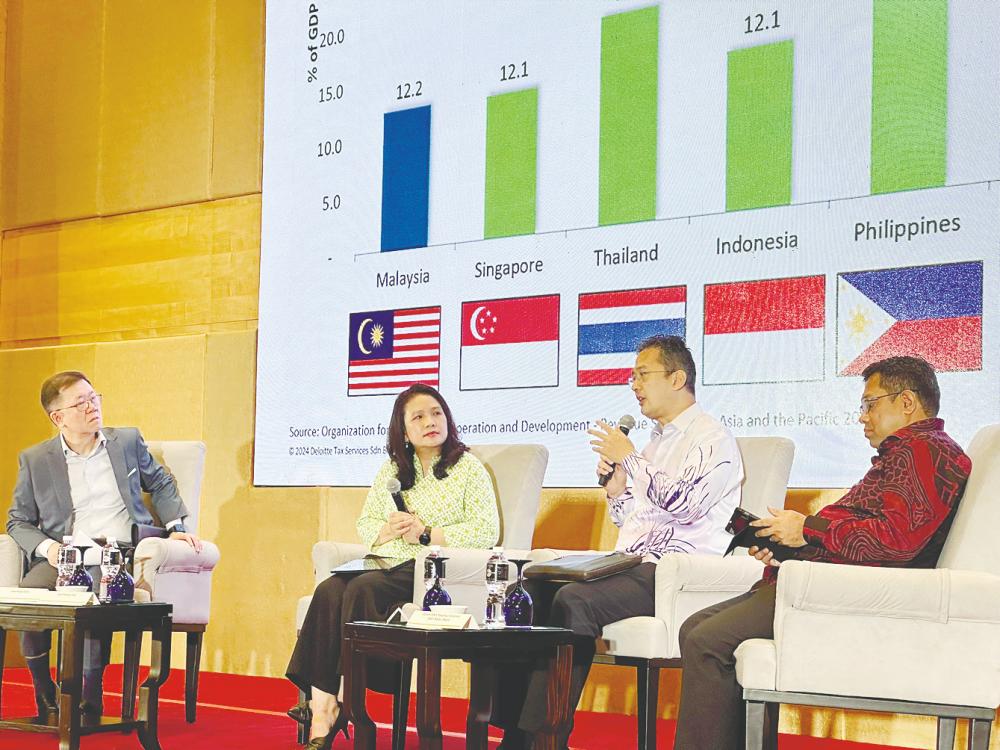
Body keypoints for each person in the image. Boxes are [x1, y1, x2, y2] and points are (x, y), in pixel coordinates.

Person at [673, 356, 973, 749]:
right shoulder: (909, 452)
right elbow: (878, 536)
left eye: (870, 404)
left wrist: (807, 530)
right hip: (829, 581)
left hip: (849, 595)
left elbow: (896, 541)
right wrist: (790, 550)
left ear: (907, 403)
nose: (862, 417)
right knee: (694, 628)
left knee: (706, 640)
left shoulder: (919, 451)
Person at [495, 335, 744, 749]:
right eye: (633, 376)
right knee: (529, 590)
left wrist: (630, 458)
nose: (634, 385)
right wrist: (617, 490)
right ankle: (515, 733)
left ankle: (548, 736)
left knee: (575, 600)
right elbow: (634, 520)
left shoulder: (712, 439)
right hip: (630, 561)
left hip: (672, 574)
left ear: (678, 377)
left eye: (643, 375)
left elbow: (685, 507)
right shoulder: (655, 442)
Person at [286, 383, 499, 749]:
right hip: (390, 562)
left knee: (360, 589)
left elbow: (486, 530)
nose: (431, 422)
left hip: (435, 570)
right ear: (403, 429)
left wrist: (428, 533)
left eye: (436, 413)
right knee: (330, 588)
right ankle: (324, 708)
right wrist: (387, 529)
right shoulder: (394, 469)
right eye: (419, 416)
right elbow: (366, 523)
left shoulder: (467, 467)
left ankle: (347, 698)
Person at [6, 370, 201, 720]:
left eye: (94, 398)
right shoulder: (35, 459)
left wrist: (176, 526)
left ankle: (89, 698)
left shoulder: (126, 442)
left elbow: (160, 482)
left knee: (96, 598)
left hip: (112, 553)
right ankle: (44, 693)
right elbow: (17, 520)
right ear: (58, 417)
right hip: (62, 555)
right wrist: (48, 549)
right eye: (81, 402)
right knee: (29, 600)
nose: (92, 406)